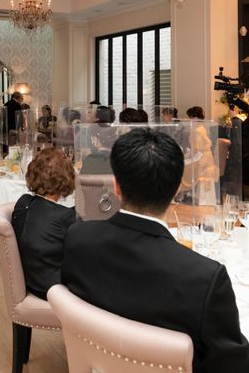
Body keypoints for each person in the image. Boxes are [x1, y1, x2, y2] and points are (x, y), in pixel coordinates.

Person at [62, 127, 249, 373]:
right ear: (177, 189)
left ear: (116, 186)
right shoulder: (205, 278)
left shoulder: (77, 238)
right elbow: (231, 364)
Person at [11, 147, 76, 300]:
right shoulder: (64, 217)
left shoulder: (22, 203)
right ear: (66, 178)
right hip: (55, 291)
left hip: (29, 282)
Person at [186, 105, 218, 205]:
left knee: (184, 166)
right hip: (206, 156)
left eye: (190, 117)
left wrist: (187, 156)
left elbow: (196, 149)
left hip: (202, 157)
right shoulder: (201, 127)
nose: (189, 120)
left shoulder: (196, 130)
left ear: (195, 118)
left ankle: (183, 193)